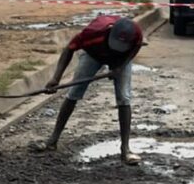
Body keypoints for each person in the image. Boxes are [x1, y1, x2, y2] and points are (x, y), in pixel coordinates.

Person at [34, 15, 144, 164]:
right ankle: (53, 140)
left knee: (124, 97)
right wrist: (56, 78)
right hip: (93, 55)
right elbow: (69, 49)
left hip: (121, 60)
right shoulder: (92, 33)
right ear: (110, 32)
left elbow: (135, 47)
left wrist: (120, 66)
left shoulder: (135, 32)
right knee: (74, 93)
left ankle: (125, 149)